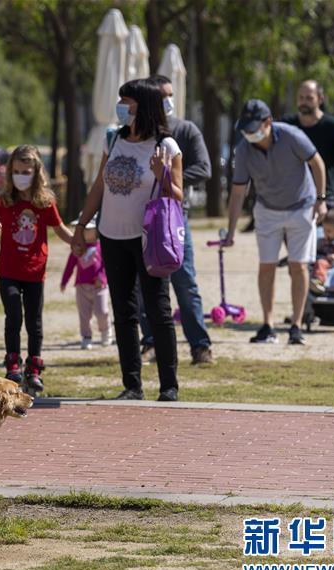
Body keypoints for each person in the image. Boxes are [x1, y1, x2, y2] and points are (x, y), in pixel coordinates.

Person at [71, 78, 183, 402]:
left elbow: (177, 195)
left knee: (158, 310)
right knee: (124, 310)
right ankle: (132, 384)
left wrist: (162, 173)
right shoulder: (114, 138)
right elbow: (98, 187)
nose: (121, 106)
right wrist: (81, 225)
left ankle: (169, 385)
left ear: (143, 106)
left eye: (127, 101)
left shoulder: (167, 146)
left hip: (149, 240)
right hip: (112, 235)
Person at [223, 99, 327, 346]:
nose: (249, 133)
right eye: (245, 128)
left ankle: (296, 326)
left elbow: (317, 162)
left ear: (268, 122)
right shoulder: (243, 150)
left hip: (302, 206)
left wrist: (321, 200)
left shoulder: (292, 136)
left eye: (253, 127)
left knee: (298, 266)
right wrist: (231, 231)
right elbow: (238, 192)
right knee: (266, 266)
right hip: (267, 210)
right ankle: (268, 325)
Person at [138, 75, 214, 366]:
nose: (168, 101)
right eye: (162, 96)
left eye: (170, 95)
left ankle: (200, 345)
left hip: (174, 217)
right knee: (146, 284)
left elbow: (204, 168)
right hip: (144, 218)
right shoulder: (138, 133)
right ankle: (151, 342)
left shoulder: (186, 129)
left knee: (185, 281)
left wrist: (171, 175)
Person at [0, 145, 72, 392]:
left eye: (26, 171)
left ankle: (34, 368)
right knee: (13, 315)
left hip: (35, 272)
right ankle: (13, 365)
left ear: (36, 172)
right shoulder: (3, 201)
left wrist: (79, 242)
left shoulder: (45, 202)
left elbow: (60, 229)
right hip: (8, 272)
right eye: (16, 171)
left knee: (34, 322)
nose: (21, 176)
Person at [281, 80, 334, 204]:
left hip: (324, 197)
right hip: (291, 197)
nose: (304, 102)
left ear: (320, 99)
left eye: (309, 98)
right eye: (301, 97)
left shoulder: (333, 127)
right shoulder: (286, 124)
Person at [60, 220, 111, 349]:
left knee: (102, 311)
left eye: (90, 230)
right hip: (82, 287)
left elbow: (108, 266)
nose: (87, 233)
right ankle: (86, 337)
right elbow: (70, 266)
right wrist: (64, 281)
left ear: (97, 230)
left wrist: (103, 278)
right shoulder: (78, 248)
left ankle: (105, 332)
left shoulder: (103, 246)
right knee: (84, 314)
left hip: (100, 287)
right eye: (85, 230)